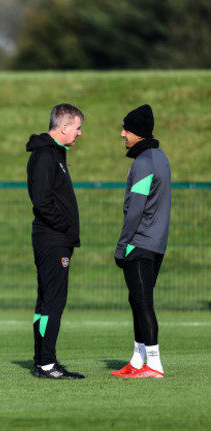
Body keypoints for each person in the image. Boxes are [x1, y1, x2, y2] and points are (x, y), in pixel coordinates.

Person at [26, 103, 85, 379]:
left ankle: (42, 361)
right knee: (52, 303)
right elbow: (42, 201)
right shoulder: (45, 156)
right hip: (52, 240)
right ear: (63, 127)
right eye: (77, 127)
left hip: (56, 239)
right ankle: (47, 363)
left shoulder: (55, 154)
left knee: (47, 302)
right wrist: (64, 227)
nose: (79, 133)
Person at [112, 104, 171, 378]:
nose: (122, 133)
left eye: (126, 129)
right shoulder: (160, 158)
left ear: (139, 132)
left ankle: (154, 365)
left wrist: (122, 246)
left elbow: (135, 209)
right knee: (137, 300)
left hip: (140, 243)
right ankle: (137, 361)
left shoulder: (143, 163)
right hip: (157, 243)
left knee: (143, 303)